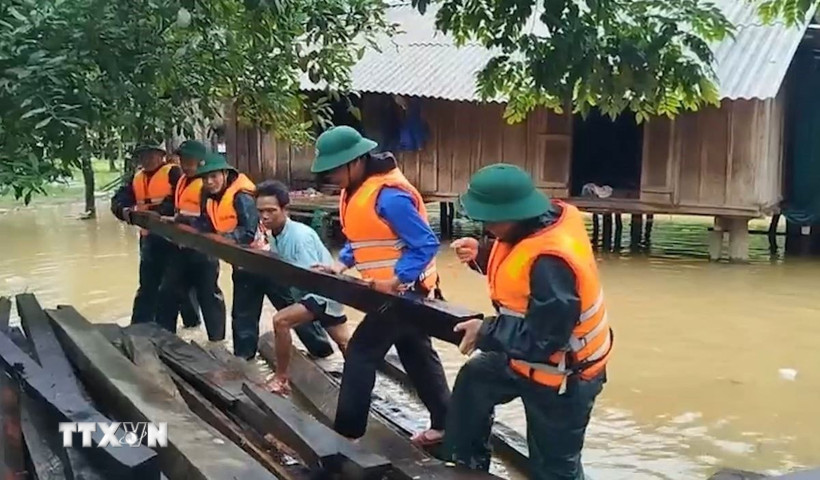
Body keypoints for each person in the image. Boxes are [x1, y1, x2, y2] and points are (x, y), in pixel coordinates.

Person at [445, 163, 613, 480]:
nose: (484, 225)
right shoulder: (536, 223)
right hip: (525, 358)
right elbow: (519, 273)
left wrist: (486, 330)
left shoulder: (551, 261)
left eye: (489, 221)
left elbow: (545, 337)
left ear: (511, 214)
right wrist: (482, 254)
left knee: (553, 467)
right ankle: (466, 465)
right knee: (475, 380)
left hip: (563, 375)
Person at [309, 125, 450, 446]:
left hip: (404, 291)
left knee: (360, 353)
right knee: (416, 354)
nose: (332, 176)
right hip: (390, 291)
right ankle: (446, 424)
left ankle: (347, 435)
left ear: (356, 161)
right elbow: (363, 239)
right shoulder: (358, 192)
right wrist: (341, 264)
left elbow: (425, 244)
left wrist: (396, 280)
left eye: (335, 169)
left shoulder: (390, 196)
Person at [194, 152, 334, 360]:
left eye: (214, 176)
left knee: (292, 310)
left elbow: (248, 232)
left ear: (225, 174)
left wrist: (220, 238)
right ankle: (244, 360)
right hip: (243, 264)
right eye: (205, 178)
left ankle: (323, 353)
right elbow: (206, 224)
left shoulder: (242, 197)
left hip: (268, 263)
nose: (209, 181)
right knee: (243, 316)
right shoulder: (208, 198)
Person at [254, 180, 351, 394]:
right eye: (261, 211)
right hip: (316, 292)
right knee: (345, 343)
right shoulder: (275, 233)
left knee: (281, 321)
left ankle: (281, 378)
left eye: (271, 211)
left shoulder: (299, 236)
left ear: (285, 209)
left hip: (321, 291)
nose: (265, 216)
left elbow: (311, 276)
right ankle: (362, 383)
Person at [155, 140, 227, 338]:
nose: (185, 165)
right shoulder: (181, 181)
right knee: (168, 290)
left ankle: (217, 341)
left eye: (189, 161)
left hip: (203, 248)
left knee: (208, 294)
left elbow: (211, 218)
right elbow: (172, 204)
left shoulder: (208, 186)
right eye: (183, 160)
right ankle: (163, 334)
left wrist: (182, 218)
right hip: (181, 245)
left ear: (200, 161)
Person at [111, 143, 183, 325]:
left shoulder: (174, 173)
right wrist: (124, 211)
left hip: (172, 238)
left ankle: (171, 327)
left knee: (171, 285)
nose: (147, 159)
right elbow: (119, 199)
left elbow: (180, 200)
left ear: (161, 156)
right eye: (143, 156)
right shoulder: (137, 178)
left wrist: (159, 212)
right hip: (149, 237)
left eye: (152, 155)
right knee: (147, 285)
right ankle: (140, 325)